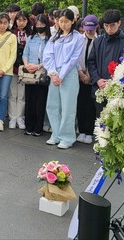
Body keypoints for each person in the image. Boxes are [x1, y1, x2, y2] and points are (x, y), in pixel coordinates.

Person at [44, 9, 85, 147]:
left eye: (66, 21)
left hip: (69, 74)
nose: (63, 24)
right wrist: (53, 73)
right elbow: (47, 56)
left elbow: (74, 59)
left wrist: (61, 76)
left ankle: (67, 137)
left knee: (68, 107)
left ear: (73, 21)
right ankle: (56, 133)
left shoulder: (78, 37)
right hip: (54, 73)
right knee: (53, 105)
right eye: (60, 21)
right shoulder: (54, 37)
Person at [87, 10, 124, 117]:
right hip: (99, 87)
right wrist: (97, 79)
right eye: (106, 26)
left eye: (112, 25)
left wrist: (113, 82)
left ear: (119, 23)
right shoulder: (98, 41)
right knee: (100, 120)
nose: (109, 29)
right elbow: (91, 62)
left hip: (117, 89)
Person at [21, 14, 50, 136]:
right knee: (30, 100)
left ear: (46, 25)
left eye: (42, 24)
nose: (39, 27)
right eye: (37, 25)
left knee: (40, 101)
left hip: (42, 72)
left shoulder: (50, 40)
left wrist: (38, 66)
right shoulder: (31, 38)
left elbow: (50, 57)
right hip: (30, 73)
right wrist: (27, 65)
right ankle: (29, 126)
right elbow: (25, 53)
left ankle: (38, 127)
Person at [76, 15, 99, 144]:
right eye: (87, 28)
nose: (89, 31)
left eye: (91, 28)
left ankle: (89, 132)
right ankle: (82, 130)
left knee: (91, 105)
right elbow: (76, 57)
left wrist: (90, 75)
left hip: (93, 77)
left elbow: (97, 60)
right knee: (81, 104)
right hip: (80, 75)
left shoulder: (99, 40)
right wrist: (81, 74)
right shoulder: (79, 39)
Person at [9, 11, 32, 129]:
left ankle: (20, 117)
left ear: (27, 21)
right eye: (19, 20)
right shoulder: (11, 33)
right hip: (13, 68)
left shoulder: (31, 34)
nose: (21, 23)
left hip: (26, 69)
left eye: (24, 20)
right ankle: (12, 117)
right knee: (13, 94)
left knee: (22, 95)